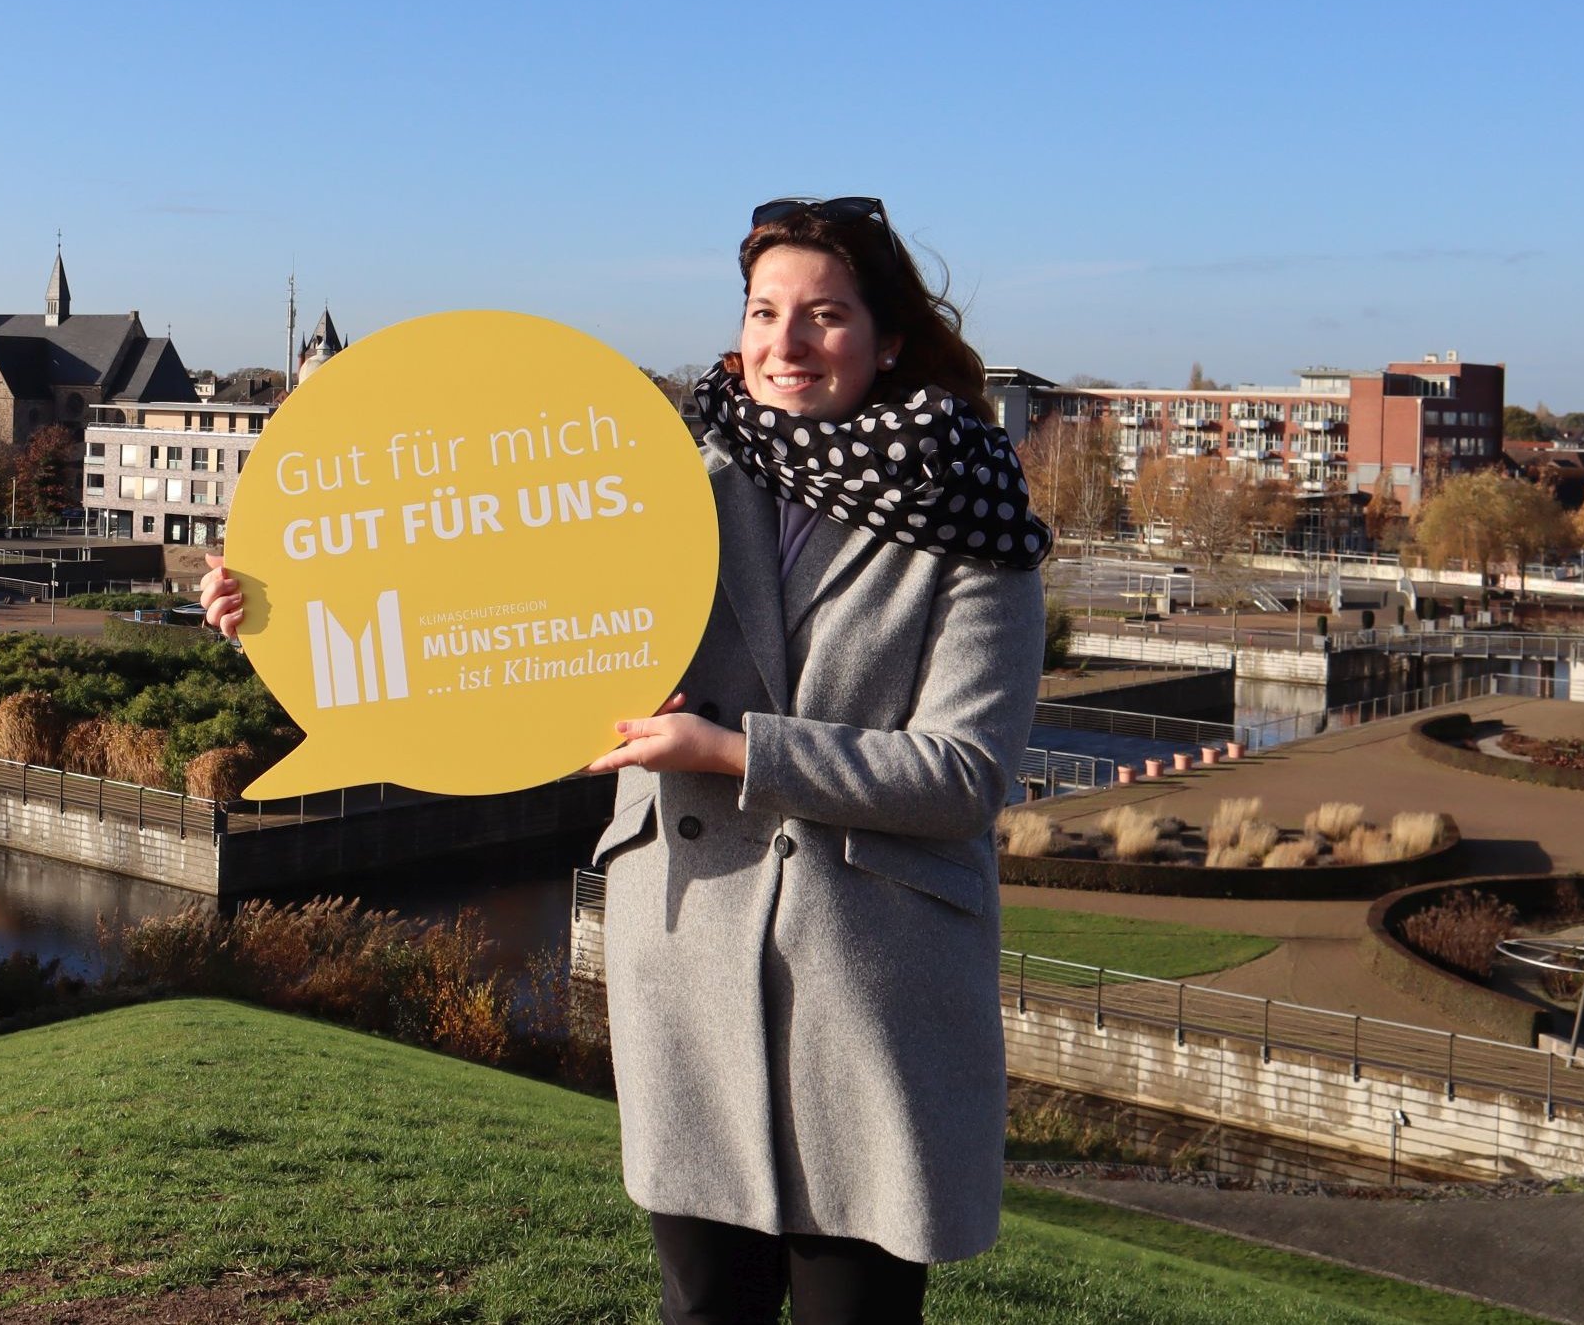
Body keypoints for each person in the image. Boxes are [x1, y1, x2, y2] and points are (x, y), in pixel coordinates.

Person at [199, 196, 1046, 1325]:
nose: (785, 345)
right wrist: (277, 607)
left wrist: (736, 751)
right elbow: (476, 597)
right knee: (701, 1310)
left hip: (868, 982)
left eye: (825, 316)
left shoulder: (975, 521)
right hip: (689, 953)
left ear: (889, 339)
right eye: (764, 311)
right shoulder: (668, 483)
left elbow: (964, 776)